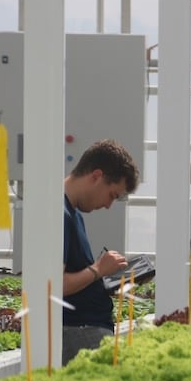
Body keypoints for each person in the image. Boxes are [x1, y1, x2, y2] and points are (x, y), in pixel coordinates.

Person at [62, 138, 140, 364]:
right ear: (96, 176)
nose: (108, 205)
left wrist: (107, 277)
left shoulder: (73, 213)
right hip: (79, 332)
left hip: (87, 329)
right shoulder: (61, 214)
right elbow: (54, 284)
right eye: (112, 195)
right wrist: (98, 269)